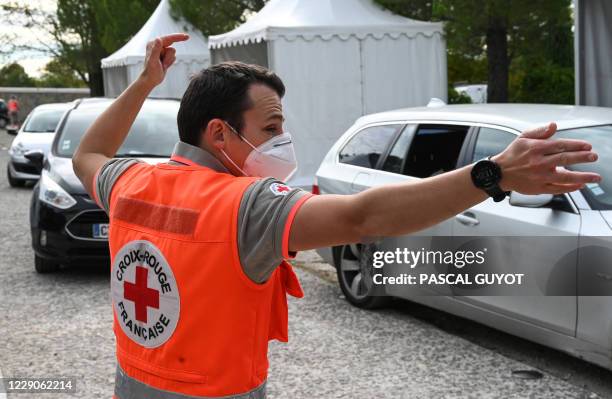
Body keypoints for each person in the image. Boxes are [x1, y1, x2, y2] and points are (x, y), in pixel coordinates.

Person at [73, 34, 601, 399]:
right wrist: (492, 176)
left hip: (134, 383)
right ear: (219, 133)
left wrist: (144, 82)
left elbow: (87, 156)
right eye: (270, 126)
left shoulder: (130, 182)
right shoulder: (249, 205)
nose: (282, 140)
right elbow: (362, 218)